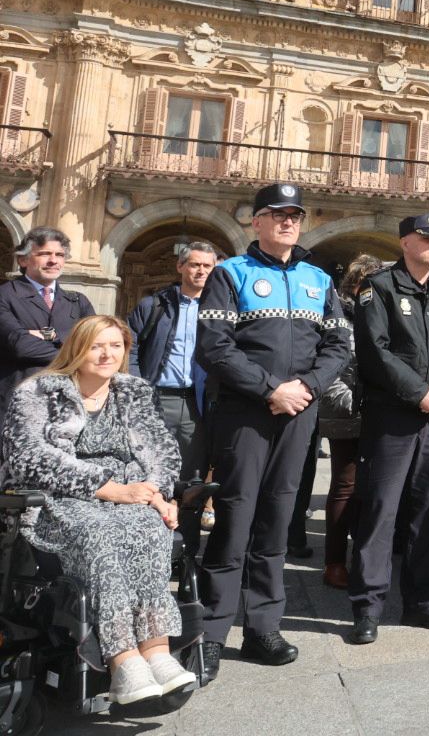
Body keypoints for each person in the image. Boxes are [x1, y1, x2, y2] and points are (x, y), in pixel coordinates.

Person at [196, 183, 350, 683]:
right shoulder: (229, 273)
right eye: (276, 214)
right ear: (256, 221)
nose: (287, 222)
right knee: (234, 520)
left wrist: (304, 387)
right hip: (245, 413)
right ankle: (212, 634)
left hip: (299, 411)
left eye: (295, 215)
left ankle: (263, 627)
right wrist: (269, 389)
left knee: (279, 519)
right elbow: (215, 348)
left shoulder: (318, 278)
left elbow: (339, 345)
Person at [0, 315, 195, 705]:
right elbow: (28, 457)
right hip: (58, 499)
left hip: (129, 494)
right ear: (77, 348)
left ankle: (156, 651)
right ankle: (123, 660)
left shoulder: (133, 392)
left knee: (150, 528)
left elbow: (162, 451)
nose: (108, 354)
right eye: (97, 346)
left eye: (116, 346)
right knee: (100, 532)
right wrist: (108, 489)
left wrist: (155, 494)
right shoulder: (39, 392)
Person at [346, 214, 429, 645]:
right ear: (405, 242)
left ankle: (421, 600)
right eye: (425, 238)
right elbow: (375, 352)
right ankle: (367, 606)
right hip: (393, 415)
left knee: (428, 511)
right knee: (381, 511)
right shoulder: (380, 288)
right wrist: (419, 391)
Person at [316, 254, 387, 590]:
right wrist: (358, 406)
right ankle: (334, 561)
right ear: (356, 283)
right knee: (345, 485)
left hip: (382, 414)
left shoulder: (385, 315)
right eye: (369, 283)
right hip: (346, 412)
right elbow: (328, 370)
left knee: (377, 487)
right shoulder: (337, 316)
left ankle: (368, 555)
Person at [127, 240, 219, 486]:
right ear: (180, 266)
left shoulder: (221, 310)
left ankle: (187, 523)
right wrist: (137, 385)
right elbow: (129, 346)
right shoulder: (154, 305)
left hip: (199, 402)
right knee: (151, 466)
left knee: (193, 473)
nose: (201, 271)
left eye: (207, 266)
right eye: (195, 265)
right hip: (157, 397)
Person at [0, 226, 97, 406]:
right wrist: (73, 350)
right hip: (16, 400)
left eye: (59, 255)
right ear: (23, 260)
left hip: (67, 402)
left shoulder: (78, 301)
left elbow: (94, 345)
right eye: (44, 254)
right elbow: (20, 346)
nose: (53, 261)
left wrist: (43, 335)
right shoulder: (5, 295)